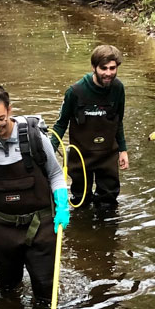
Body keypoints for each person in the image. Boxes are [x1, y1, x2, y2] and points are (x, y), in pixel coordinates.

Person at [0, 80, 70, 307]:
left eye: (1, 119)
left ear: (10, 110)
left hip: (40, 227)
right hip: (4, 230)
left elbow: (55, 175)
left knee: (45, 293)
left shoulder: (35, 139)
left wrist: (62, 205)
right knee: (7, 292)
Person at [51, 44, 129, 208]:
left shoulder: (118, 89)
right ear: (94, 67)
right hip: (81, 157)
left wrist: (123, 150)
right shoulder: (74, 92)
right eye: (104, 68)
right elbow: (61, 124)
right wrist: (49, 154)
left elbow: (118, 120)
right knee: (80, 204)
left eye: (112, 68)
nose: (108, 73)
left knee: (108, 205)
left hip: (108, 156)